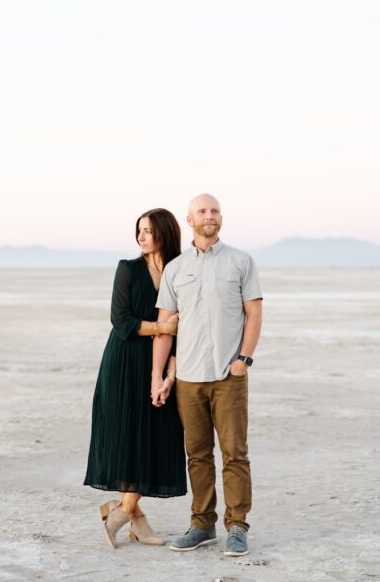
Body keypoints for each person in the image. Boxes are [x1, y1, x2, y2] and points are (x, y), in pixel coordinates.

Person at [152, 193, 263, 557]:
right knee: (197, 455)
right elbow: (165, 328)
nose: (210, 215)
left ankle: (237, 527)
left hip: (228, 376)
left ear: (221, 217)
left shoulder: (241, 262)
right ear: (189, 220)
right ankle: (202, 524)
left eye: (215, 210)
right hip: (188, 377)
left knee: (235, 453)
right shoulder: (175, 270)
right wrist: (159, 375)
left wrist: (243, 359)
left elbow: (254, 313)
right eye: (202, 211)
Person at [84, 208, 187, 548]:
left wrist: (169, 373)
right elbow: (121, 319)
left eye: (148, 230)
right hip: (124, 360)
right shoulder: (127, 269)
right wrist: (160, 327)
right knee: (129, 437)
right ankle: (132, 516)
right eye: (138, 231)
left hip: (159, 361)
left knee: (154, 434)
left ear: (165, 233)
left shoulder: (180, 271)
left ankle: (124, 511)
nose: (141, 237)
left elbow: (184, 328)